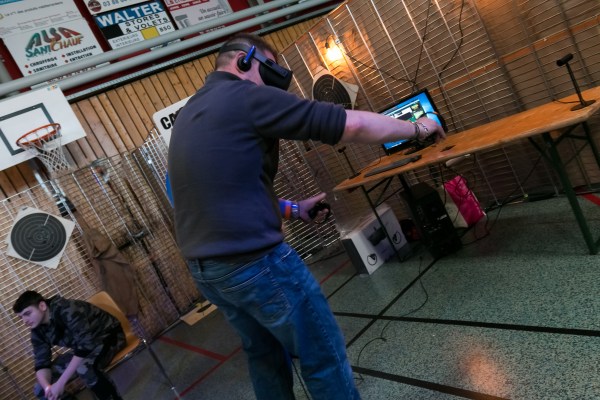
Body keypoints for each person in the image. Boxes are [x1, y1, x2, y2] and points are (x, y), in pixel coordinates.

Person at [168, 32, 445, 400]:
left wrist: (294, 209)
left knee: (265, 354)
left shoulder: (191, 112)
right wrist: (419, 128)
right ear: (245, 60)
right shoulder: (244, 96)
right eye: (271, 69)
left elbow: (222, 190)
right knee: (322, 352)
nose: (274, 82)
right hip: (254, 263)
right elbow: (351, 125)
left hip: (209, 270)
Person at [13, 290, 126, 400]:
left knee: (85, 368)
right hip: (82, 349)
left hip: (109, 337)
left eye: (27, 313)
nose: (25, 321)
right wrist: (48, 388)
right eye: (21, 317)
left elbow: (85, 346)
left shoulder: (67, 308)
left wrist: (60, 383)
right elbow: (41, 364)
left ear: (42, 306)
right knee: (39, 389)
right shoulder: (37, 330)